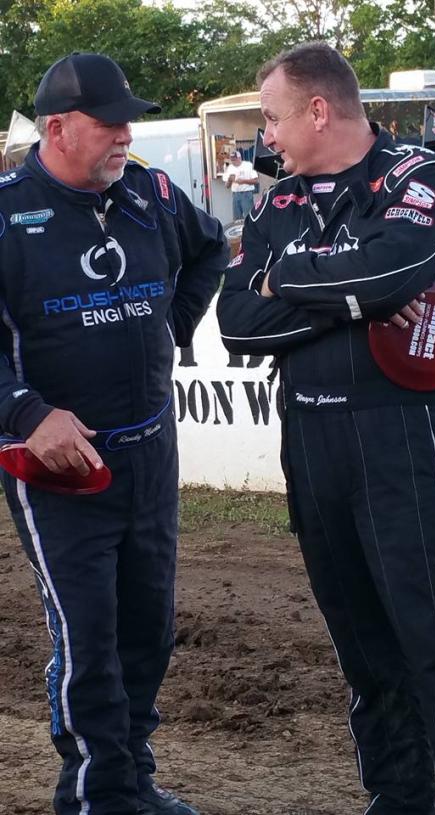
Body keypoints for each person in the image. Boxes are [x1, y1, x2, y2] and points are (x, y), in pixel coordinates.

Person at [217, 41, 435, 815]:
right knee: (364, 651)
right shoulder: (279, 204)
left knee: (434, 638)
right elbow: (238, 322)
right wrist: (342, 297)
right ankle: (400, 799)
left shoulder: (420, 177)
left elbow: (389, 272)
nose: (268, 138)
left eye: (275, 118)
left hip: (401, 441)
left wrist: (282, 278)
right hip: (310, 445)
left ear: (319, 109)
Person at [0, 52, 228, 815]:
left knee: (147, 630)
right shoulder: (7, 213)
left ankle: (123, 781)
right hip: (61, 475)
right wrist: (28, 413)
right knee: (88, 640)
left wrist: (170, 328)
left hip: (151, 453)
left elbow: (206, 252)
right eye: (110, 122)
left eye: (129, 119)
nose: (126, 134)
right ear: (58, 128)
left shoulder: (152, 193)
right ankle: (100, 797)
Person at [222, 149, 258, 220]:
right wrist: (229, 180)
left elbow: (255, 181)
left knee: (249, 217)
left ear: (239, 158)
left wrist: (243, 181)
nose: (233, 162)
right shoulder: (230, 168)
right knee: (237, 218)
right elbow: (227, 186)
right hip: (235, 195)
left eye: (235, 160)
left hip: (246, 194)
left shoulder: (248, 165)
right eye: (232, 160)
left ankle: (249, 230)